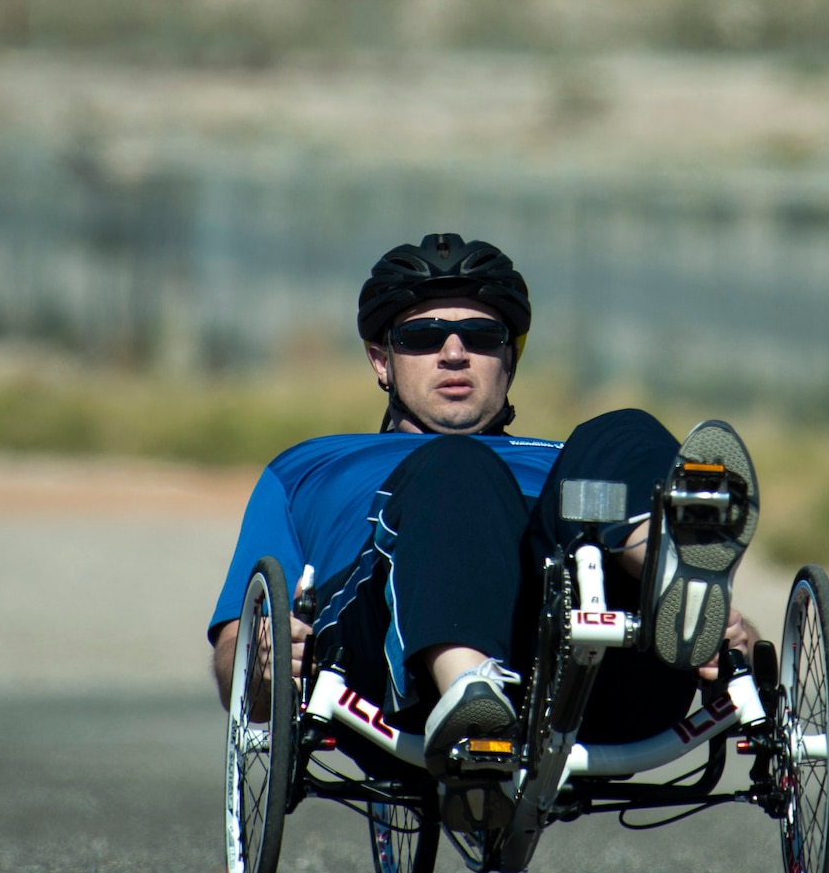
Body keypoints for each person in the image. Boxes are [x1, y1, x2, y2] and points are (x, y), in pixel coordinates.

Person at [207, 232, 759, 834]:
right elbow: (235, 652)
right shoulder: (309, 465)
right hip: (392, 669)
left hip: (596, 666)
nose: (453, 353)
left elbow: (742, 650)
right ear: (380, 359)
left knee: (623, 430)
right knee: (456, 461)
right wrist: (258, 661)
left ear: (510, 358)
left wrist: (735, 639)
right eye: (422, 336)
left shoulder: (565, 458)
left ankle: (665, 565)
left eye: (482, 336)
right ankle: (468, 693)